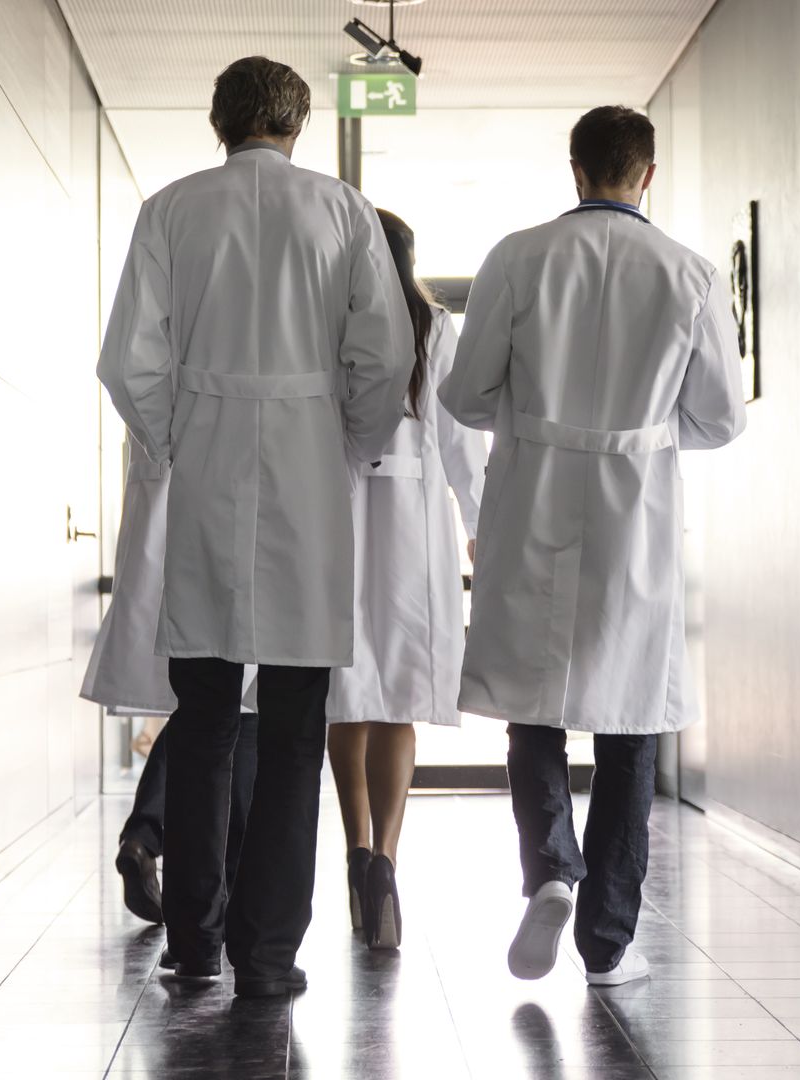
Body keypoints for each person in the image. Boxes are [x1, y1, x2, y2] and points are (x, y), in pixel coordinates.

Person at [96, 56, 414, 998]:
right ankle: (268, 953)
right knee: (292, 729)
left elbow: (127, 363)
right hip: (309, 479)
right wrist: (343, 446)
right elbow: (384, 355)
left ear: (217, 122)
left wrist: (173, 446)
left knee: (202, 723)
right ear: (299, 126)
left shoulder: (171, 210)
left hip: (205, 472)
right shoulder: (343, 211)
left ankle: (193, 940)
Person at [438, 106, 746, 988]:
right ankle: (607, 942)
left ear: (575, 171)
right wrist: (646, 431)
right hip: (634, 507)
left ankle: (550, 871)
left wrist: (537, 419)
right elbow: (722, 416)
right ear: (644, 174)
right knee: (630, 720)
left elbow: (463, 395)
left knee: (532, 707)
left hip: (533, 492)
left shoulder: (518, 256)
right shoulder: (687, 273)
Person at [325, 209, 486, 952]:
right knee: (397, 704)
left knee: (346, 697)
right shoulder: (435, 330)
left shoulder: (331, 324)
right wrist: (484, 528)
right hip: (415, 530)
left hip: (337, 522)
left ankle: (356, 851)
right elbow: (463, 447)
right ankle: (386, 859)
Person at [80, 434, 258, 927]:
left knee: (210, 703)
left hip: (182, 485)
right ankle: (216, 904)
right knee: (238, 707)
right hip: (229, 493)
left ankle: (147, 839)